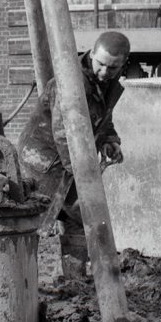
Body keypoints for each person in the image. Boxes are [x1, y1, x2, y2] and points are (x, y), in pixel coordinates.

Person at [17, 30, 130, 279]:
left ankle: (74, 282)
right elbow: (63, 132)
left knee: (79, 219)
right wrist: (82, 174)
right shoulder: (69, 82)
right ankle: (20, 280)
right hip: (43, 162)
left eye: (112, 68)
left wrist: (109, 140)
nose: (104, 72)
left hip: (71, 161)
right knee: (31, 220)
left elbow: (102, 117)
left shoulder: (108, 84)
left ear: (122, 65)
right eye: (100, 64)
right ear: (91, 54)